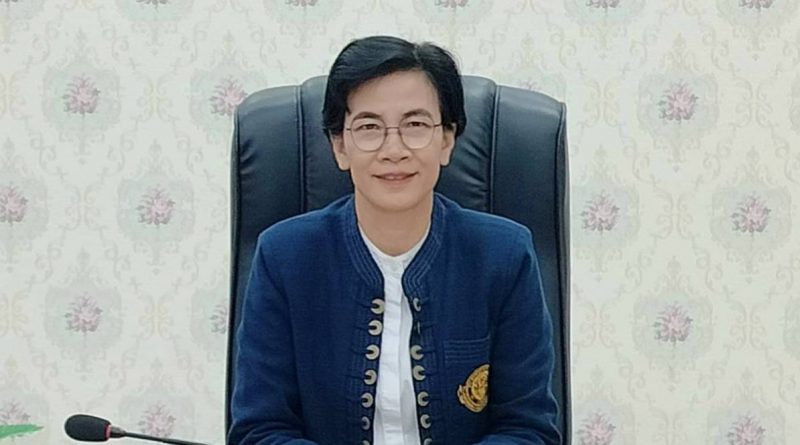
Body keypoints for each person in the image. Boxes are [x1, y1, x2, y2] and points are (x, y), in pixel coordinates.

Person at [228, 35, 561, 445]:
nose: (394, 149)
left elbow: (528, 430)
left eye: (415, 125)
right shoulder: (284, 257)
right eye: (369, 127)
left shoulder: (504, 256)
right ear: (339, 146)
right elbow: (260, 430)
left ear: (447, 139)